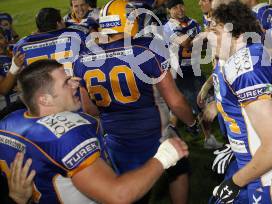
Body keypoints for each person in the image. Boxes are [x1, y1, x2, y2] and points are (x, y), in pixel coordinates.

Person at [0, 59, 189, 203]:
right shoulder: (67, 132)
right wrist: (165, 156)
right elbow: (119, 195)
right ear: (45, 100)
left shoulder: (9, 122)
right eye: (66, 82)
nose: (75, 83)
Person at [74, 0, 198, 204]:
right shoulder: (147, 48)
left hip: (115, 138)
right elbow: (175, 101)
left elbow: (89, 109)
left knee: (130, 189)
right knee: (179, 170)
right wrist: (192, 122)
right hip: (154, 135)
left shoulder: (83, 58)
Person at [209, 1, 272, 203]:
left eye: (216, 31)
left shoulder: (247, 69)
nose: (209, 36)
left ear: (237, 35)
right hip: (249, 160)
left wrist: (234, 183)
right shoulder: (228, 56)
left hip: (265, 173)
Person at [163, 0, 222, 149]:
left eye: (181, 5)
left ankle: (202, 137)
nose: (179, 9)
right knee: (189, 106)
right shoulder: (168, 27)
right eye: (174, 7)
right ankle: (202, 138)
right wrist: (204, 34)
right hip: (178, 72)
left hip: (194, 69)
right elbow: (186, 43)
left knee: (191, 105)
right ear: (169, 11)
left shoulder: (193, 23)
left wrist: (204, 38)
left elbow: (203, 46)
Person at [14, 8, 86, 76]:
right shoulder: (76, 37)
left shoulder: (21, 45)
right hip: (69, 83)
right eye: (62, 20)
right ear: (58, 23)